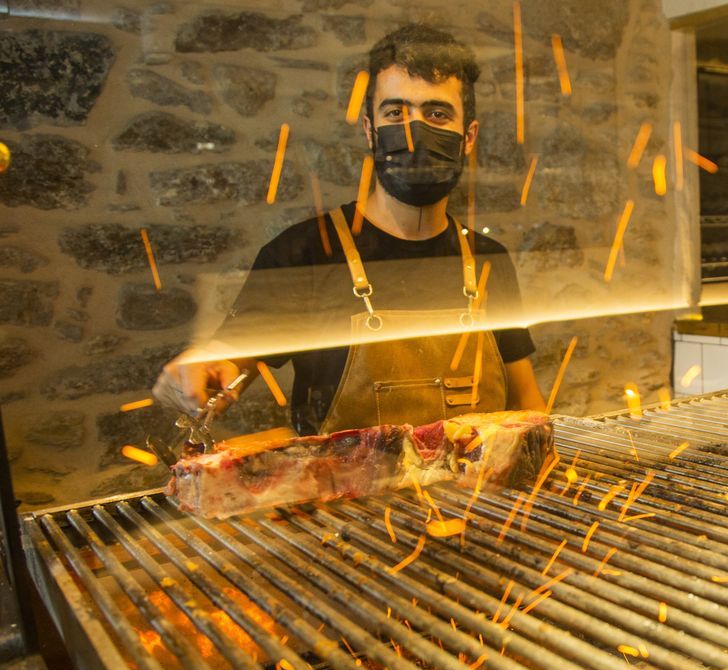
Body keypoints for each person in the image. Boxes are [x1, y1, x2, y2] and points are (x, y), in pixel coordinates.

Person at [154, 24, 545, 436]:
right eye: (395, 113)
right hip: (344, 498)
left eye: (436, 113)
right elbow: (234, 358)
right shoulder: (303, 253)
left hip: (468, 498)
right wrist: (205, 365)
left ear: (468, 137)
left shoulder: (488, 260)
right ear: (369, 130)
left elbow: (526, 404)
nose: (414, 131)